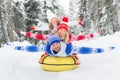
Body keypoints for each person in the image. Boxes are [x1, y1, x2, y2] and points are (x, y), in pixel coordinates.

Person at [11, 35, 115, 57]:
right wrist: (18, 47)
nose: (55, 46)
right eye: (53, 44)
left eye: (57, 43)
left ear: (60, 43)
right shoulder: (47, 48)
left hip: (67, 56)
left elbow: (84, 50)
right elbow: (33, 48)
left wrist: (101, 50)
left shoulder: (68, 49)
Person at [19, 17, 99, 43]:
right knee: (50, 40)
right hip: (54, 37)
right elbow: (39, 35)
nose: (61, 32)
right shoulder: (50, 27)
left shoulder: (61, 24)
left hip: (65, 40)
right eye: (52, 20)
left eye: (54, 19)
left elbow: (69, 24)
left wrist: (77, 22)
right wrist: (35, 29)